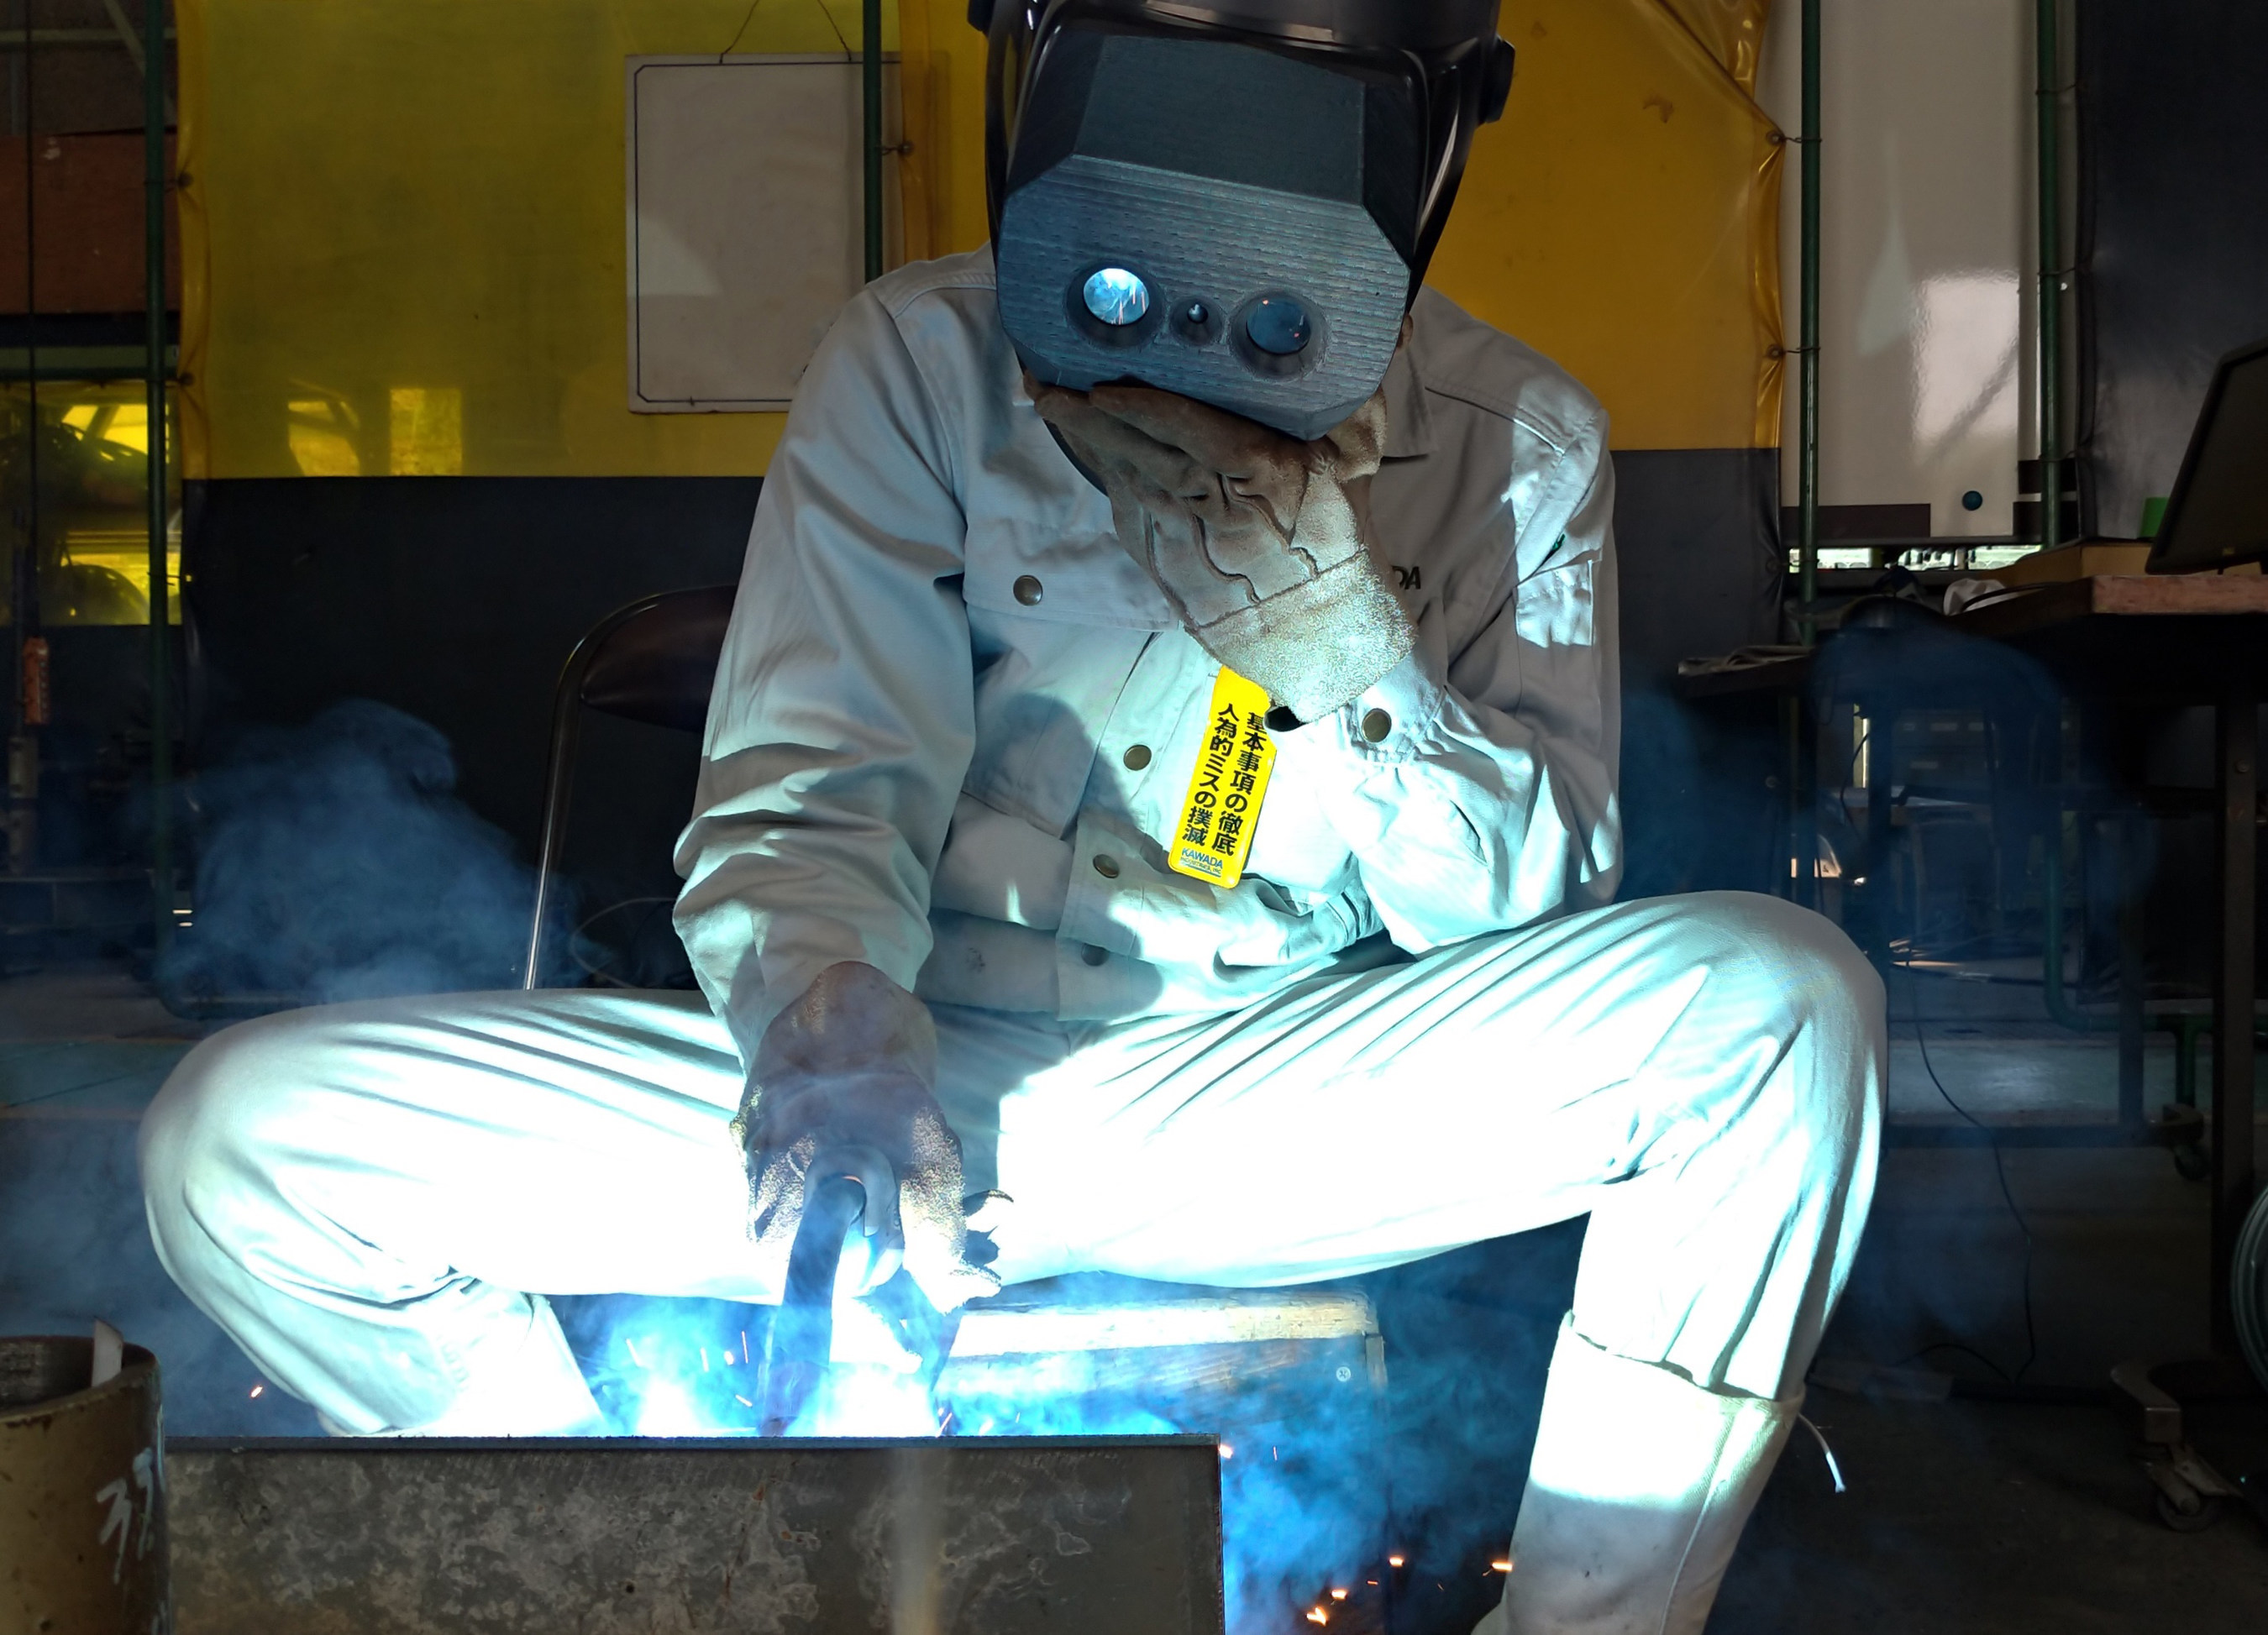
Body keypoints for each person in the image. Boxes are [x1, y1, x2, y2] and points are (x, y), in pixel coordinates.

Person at [139, 3, 1883, 1630]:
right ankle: (633, 1562)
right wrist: (828, 1022)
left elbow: (1522, 918)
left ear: (1432, 141)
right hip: (899, 1086)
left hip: (1264, 1094)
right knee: (240, 1140)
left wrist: (1342, 656)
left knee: (1782, 1012)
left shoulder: (1518, 441)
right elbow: (818, 788)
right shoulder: (916, 360)